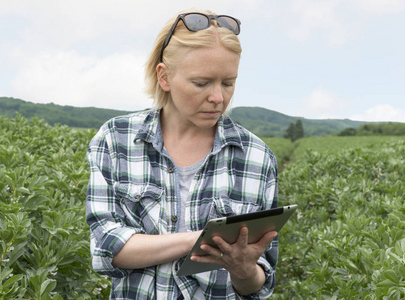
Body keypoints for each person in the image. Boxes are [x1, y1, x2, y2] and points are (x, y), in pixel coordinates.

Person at [86, 9, 279, 299]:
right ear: (164, 77)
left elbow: (259, 282)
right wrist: (203, 240)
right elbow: (106, 248)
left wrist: (244, 269)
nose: (218, 98)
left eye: (228, 83)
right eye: (202, 83)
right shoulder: (116, 139)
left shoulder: (257, 157)